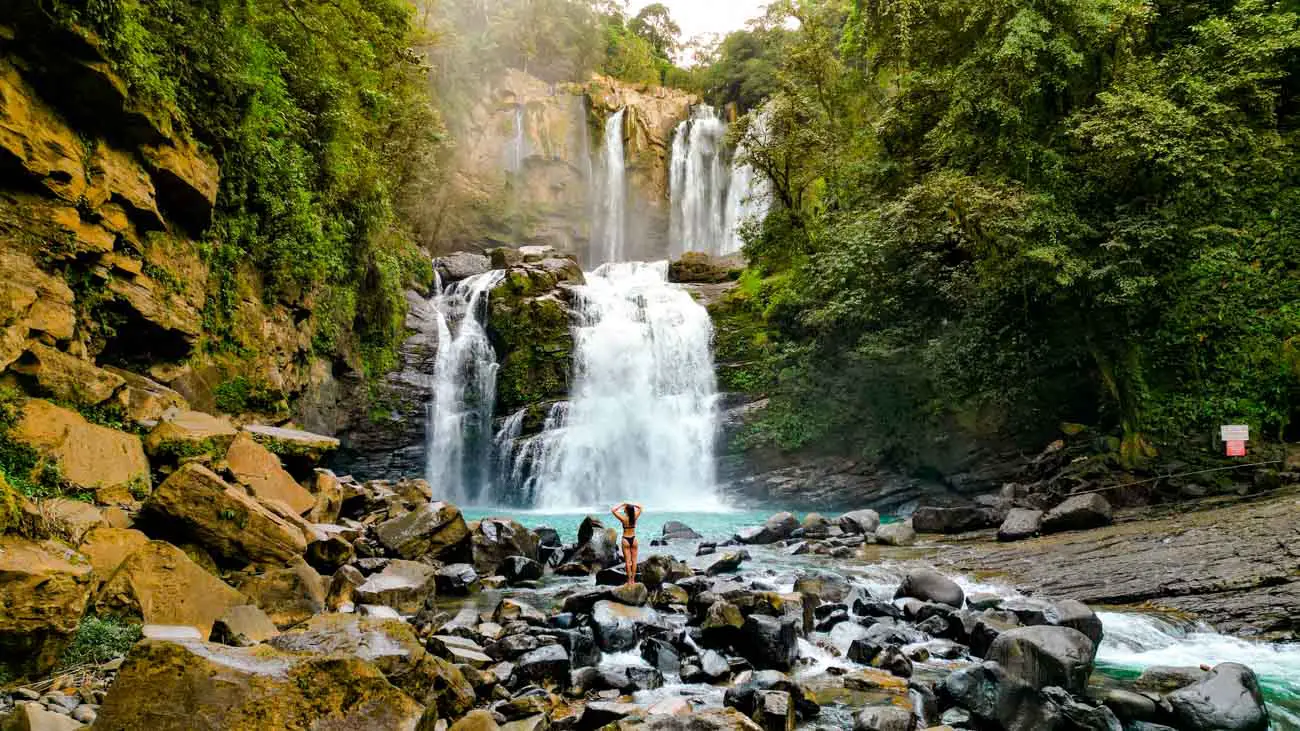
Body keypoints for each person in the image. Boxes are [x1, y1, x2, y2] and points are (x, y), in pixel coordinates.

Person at [610, 502, 642, 586]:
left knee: (628, 562)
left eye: (625, 508)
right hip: (634, 539)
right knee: (634, 561)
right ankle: (633, 580)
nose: (624, 509)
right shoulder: (635, 517)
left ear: (627, 511)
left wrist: (622, 504)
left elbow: (613, 510)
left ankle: (629, 581)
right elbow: (641, 507)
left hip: (625, 540)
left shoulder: (623, 519)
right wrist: (632, 505)